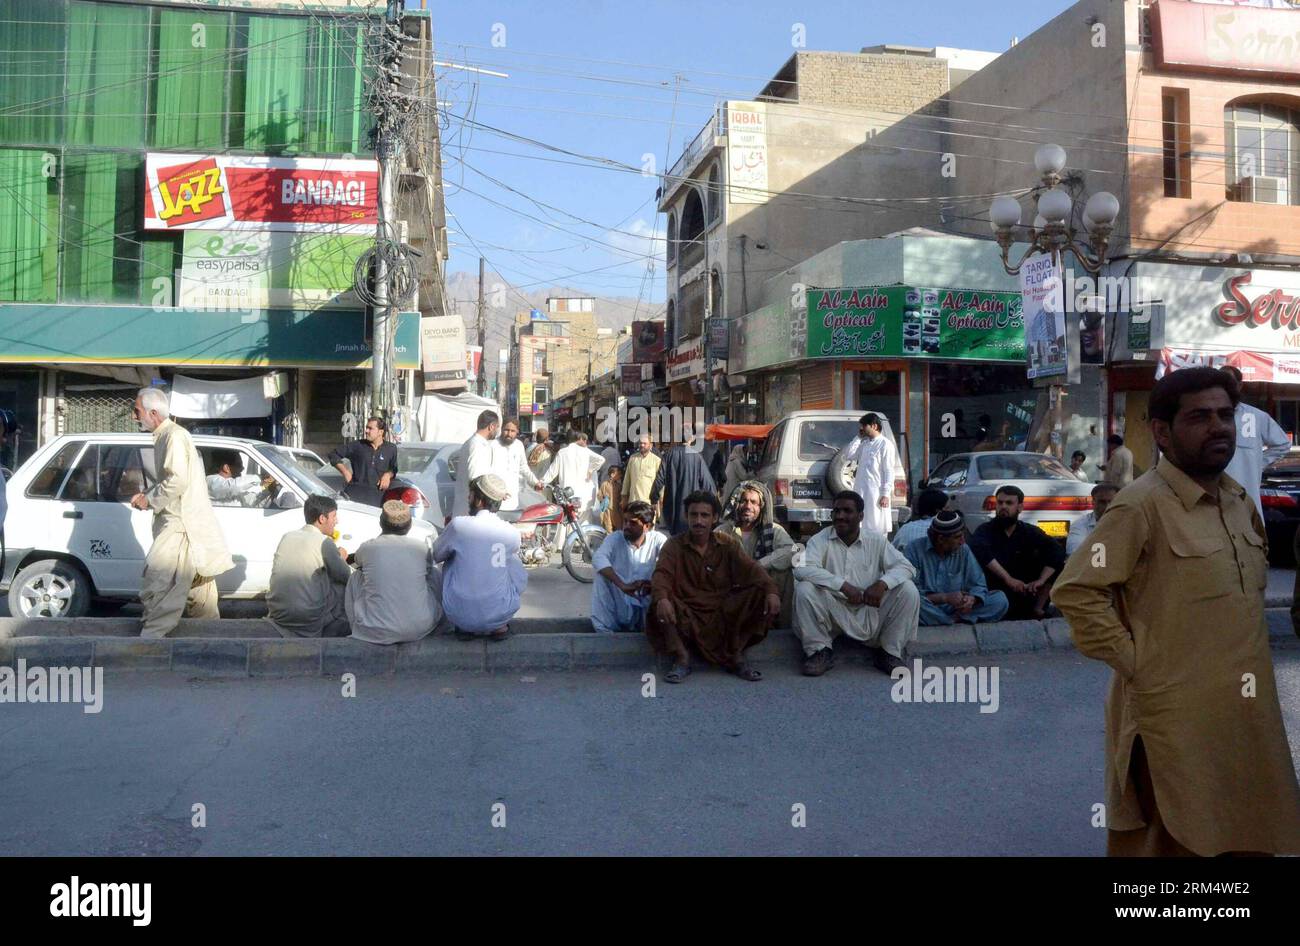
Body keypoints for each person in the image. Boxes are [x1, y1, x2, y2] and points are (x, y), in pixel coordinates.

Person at [1053, 366, 1300, 857]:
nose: (1219, 427)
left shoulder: (1237, 502)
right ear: (1162, 432)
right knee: (1173, 846)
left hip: (1245, 715)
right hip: (1173, 720)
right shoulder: (1139, 506)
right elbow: (1078, 590)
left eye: (1226, 415)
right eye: (1200, 417)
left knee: (1245, 834)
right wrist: (1141, 664)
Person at [128, 387, 233, 637]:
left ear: (153, 413)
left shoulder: (173, 436)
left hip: (180, 528)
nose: (135, 417)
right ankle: (213, 652)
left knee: (158, 588)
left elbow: (176, 481)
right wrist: (146, 495)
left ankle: (148, 648)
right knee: (202, 599)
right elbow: (173, 478)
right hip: (187, 527)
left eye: (137, 411)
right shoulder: (167, 436)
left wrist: (149, 500)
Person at [648, 490, 780, 683]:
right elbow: (661, 575)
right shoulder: (673, 545)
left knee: (760, 594)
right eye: (694, 515)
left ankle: (736, 655)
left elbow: (752, 570)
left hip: (721, 612)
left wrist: (771, 591)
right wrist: (662, 599)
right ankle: (682, 657)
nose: (699, 521)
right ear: (686, 516)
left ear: (715, 518)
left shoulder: (727, 544)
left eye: (705, 515)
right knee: (658, 604)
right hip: (687, 613)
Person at [793, 490, 920, 677]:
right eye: (836, 511)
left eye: (847, 511)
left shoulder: (876, 540)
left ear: (860, 516)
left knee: (908, 590)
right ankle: (819, 651)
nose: (840, 516)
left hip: (868, 607)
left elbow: (907, 567)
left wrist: (882, 584)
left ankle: (889, 653)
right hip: (833, 608)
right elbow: (801, 569)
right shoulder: (820, 539)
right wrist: (843, 586)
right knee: (804, 589)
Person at [433, 473, 526, 640]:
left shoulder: (459, 525)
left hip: (458, 614)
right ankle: (498, 626)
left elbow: (436, 554)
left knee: (451, 556)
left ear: (479, 500)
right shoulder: (511, 533)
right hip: (500, 614)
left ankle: (466, 624)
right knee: (511, 560)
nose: (468, 498)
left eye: (471, 494)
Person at [969, 485, 1066, 620]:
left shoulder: (1029, 531)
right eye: (1000, 502)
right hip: (998, 590)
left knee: (1057, 563)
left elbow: (1057, 551)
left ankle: (1038, 610)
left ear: (1020, 507)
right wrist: (1008, 579)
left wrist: (1041, 580)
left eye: (1009, 503)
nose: (1003, 507)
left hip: (1026, 590)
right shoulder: (985, 530)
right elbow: (982, 553)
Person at [267, 494, 352, 638]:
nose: (336, 521)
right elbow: (346, 576)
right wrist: (341, 557)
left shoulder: (287, 536)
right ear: (322, 518)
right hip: (307, 618)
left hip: (278, 614)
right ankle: (336, 633)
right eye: (334, 516)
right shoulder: (323, 541)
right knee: (344, 586)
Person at [904, 510, 1008, 626]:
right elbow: (911, 592)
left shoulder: (963, 550)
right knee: (909, 602)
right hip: (927, 607)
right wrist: (945, 597)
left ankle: (948, 620)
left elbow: (978, 583)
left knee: (999, 599)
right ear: (941, 539)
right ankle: (948, 621)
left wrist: (972, 599)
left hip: (957, 609)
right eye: (957, 537)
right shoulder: (914, 550)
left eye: (963, 535)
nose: (962, 541)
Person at [716, 480, 795, 627]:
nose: (748, 506)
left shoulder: (773, 530)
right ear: (736, 504)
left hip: (761, 584)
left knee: (785, 572)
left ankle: (780, 626)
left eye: (754, 502)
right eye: (744, 501)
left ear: (761, 506)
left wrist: (759, 565)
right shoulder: (723, 531)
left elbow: (792, 551)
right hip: (733, 586)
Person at [1222, 365, 1290, 517]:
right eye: (1220, 383)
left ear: (1239, 386)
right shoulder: (1206, 418)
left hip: (1247, 504)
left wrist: (1259, 462)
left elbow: (1283, 444)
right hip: (1213, 504)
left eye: (1229, 382)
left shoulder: (1256, 416)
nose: (1224, 387)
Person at [591, 500, 666, 633]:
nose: (626, 526)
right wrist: (622, 585)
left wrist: (653, 584)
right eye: (625, 521)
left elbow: (669, 564)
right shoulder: (615, 538)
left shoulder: (658, 540)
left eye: (633, 523)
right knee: (601, 576)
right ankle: (605, 633)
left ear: (647, 526)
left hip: (647, 603)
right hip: (621, 604)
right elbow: (598, 559)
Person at [649, 425, 716, 536]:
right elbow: (708, 485)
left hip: (672, 509)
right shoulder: (696, 457)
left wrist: (653, 498)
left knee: (676, 543)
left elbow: (659, 479)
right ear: (692, 438)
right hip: (693, 508)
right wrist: (714, 506)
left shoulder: (669, 455)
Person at [843, 413, 896, 535]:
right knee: (861, 525)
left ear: (874, 426)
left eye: (864, 426)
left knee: (876, 525)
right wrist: (858, 437)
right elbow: (849, 455)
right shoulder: (865, 444)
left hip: (876, 493)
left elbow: (888, 470)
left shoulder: (885, 444)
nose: (862, 429)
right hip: (861, 491)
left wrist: (885, 494)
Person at [329, 416, 398, 507]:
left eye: (370, 428)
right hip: (355, 496)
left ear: (380, 432)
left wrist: (388, 475)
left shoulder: (391, 448)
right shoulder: (358, 445)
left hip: (377, 499)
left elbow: (394, 468)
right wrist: (345, 472)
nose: (366, 431)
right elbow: (333, 455)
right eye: (366, 428)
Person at [542, 430, 605, 519]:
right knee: (584, 524)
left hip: (568, 496)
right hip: (584, 495)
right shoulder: (585, 451)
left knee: (566, 524)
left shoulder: (562, 452)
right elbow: (601, 459)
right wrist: (590, 470)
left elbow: (552, 472)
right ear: (579, 439)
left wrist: (541, 483)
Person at [452, 410, 498, 518]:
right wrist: (491, 493)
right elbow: (475, 476)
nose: (497, 431)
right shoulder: (477, 445)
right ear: (491, 426)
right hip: (471, 510)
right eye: (497, 428)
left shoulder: (474, 442)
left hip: (468, 509)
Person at [491, 418, 541, 512]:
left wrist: (535, 482)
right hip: (495, 498)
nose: (509, 434)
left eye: (512, 431)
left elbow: (523, 467)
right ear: (501, 429)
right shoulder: (493, 445)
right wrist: (496, 491)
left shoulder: (519, 445)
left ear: (517, 431)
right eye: (506, 430)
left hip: (512, 498)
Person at [205, 449, 280, 508]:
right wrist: (261, 477)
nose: (242, 468)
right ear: (226, 468)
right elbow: (235, 486)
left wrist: (269, 490)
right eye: (238, 465)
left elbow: (252, 504)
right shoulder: (211, 481)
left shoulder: (237, 488)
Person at [1065, 483, 1119, 555]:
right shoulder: (1080, 525)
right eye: (1102, 502)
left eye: (1111, 502)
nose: (1107, 506)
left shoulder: (1128, 522)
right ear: (1093, 502)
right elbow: (1075, 552)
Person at [622, 434, 661, 507]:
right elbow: (627, 479)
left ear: (651, 445)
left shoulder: (657, 461)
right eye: (640, 443)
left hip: (648, 502)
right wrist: (624, 496)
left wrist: (660, 499)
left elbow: (660, 483)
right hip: (633, 500)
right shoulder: (633, 458)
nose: (642, 445)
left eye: (645, 443)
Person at [596, 464, 624, 532]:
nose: (620, 476)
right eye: (618, 474)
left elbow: (622, 497)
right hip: (607, 510)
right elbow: (599, 495)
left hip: (617, 510)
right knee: (608, 528)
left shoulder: (619, 486)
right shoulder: (604, 484)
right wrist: (603, 499)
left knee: (619, 526)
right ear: (612, 474)